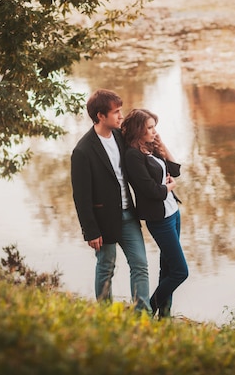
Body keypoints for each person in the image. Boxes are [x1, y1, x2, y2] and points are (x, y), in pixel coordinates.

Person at [70, 89, 151, 313]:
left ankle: (142, 314)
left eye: (120, 111)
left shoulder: (119, 137)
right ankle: (105, 314)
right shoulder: (83, 151)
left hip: (128, 215)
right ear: (100, 116)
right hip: (103, 220)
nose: (120, 116)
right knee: (106, 267)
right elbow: (81, 196)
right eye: (116, 112)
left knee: (140, 264)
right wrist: (91, 231)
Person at [121, 108, 188, 318]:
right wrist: (169, 187)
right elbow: (150, 191)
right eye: (149, 128)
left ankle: (164, 317)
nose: (153, 131)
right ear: (138, 129)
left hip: (173, 212)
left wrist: (161, 143)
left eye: (154, 127)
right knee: (180, 271)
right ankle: (146, 310)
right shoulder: (133, 156)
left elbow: (175, 169)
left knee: (167, 269)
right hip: (159, 219)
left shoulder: (149, 147)